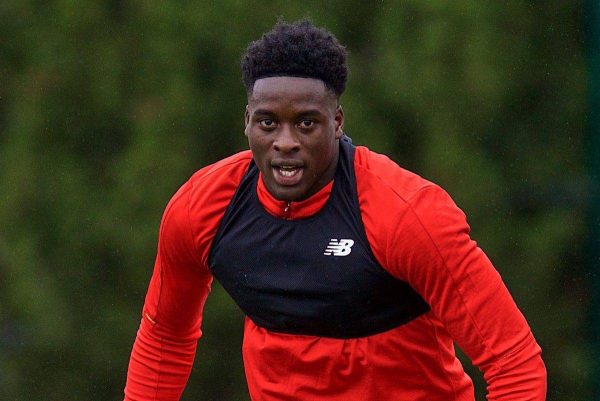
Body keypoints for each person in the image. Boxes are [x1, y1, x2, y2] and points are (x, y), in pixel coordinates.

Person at [123, 20, 547, 401]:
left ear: (337, 121)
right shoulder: (203, 208)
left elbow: (515, 365)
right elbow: (164, 337)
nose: (285, 141)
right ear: (247, 121)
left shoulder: (407, 214)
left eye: (306, 123)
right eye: (268, 122)